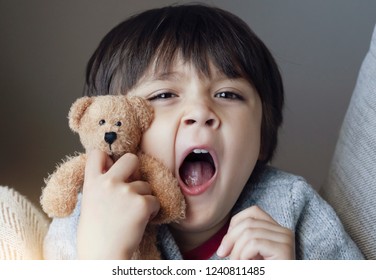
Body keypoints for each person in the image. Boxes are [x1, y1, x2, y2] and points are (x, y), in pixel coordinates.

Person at [45, 3, 364, 260]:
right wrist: (102, 258)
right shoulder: (88, 215)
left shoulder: (292, 206)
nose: (201, 112)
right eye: (164, 95)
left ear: (262, 140)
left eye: (228, 94)